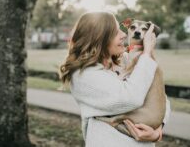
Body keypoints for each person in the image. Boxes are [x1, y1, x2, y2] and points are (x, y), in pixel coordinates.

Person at [59, 12, 171, 147]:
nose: (124, 34)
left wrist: (157, 131)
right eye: (115, 32)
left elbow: (161, 98)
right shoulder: (83, 76)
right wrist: (146, 54)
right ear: (99, 38)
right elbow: (130, 98)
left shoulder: (126, 60)